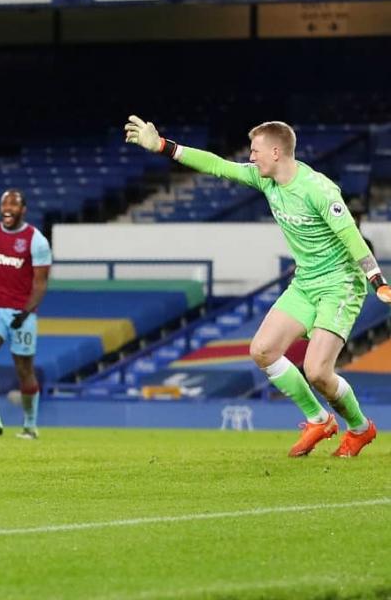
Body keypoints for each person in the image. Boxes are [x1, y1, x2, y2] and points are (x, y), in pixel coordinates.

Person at [126, 115, 388, 457]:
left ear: (276, 152)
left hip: (340, 285)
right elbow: (218, 165)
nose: (250, 157)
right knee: (262, 350)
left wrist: (376, 280)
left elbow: (350, 235)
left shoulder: (317, 188)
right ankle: (319, 420)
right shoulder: (265, 180)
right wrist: (163, 146)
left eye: (255, 150)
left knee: (318, 372)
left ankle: (359, 428)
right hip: (306, 281)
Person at [0, 189, 51, 439]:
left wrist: (26, 313)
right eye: (4, 203)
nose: (7, 208)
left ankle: (30, 425)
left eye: (13, 204)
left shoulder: (36, 240)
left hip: (22, 313)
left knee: (24, 370)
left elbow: (40, 283)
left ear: (23, 210)